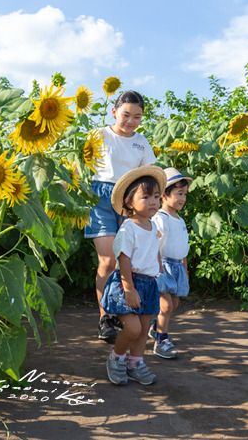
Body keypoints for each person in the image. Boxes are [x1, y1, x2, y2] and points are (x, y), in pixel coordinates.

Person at [84, 90, 156, 342]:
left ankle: (124, 313)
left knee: (129, 261)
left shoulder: (141, 142)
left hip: (130, 200)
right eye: (126, 115)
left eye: (137, 116)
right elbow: (79, 164)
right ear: (114, 112)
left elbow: (149, 175)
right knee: (107, 261)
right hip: (100, 197)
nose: (131, 121)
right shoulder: (99, 134)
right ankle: (105, 317)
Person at [101, 165, 167, 385]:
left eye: (156, 197)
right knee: (133, 328)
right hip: (129, 282)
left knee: (142, 330)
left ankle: (135, 362)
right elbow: (123, 258)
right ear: (129, 202)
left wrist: (157, 263)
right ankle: (116, 357)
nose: (153, 202)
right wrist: (128, 288)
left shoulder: (151, 225)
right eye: (146, 196)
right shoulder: (128, 227)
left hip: (149, 284)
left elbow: (153, 248)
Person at [149, 167, 193, 359]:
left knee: (173, 305)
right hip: (163, 266)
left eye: (184, 194)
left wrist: (185, 268)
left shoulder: (180, 220)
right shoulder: (161, 218)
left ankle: (155, 327)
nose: (182, 198)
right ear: (164, 196)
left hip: (177, 267)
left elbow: (183, 246)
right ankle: (161, 341)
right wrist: (157, 267)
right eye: (178, 194)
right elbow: (154, 243)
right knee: (165, 306)